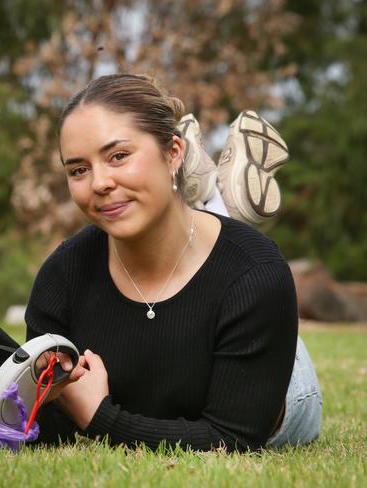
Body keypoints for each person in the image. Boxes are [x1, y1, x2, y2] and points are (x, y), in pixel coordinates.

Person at [25, 73, 322, 451]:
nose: (99, 183)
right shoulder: (62, 274)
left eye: (118, 156)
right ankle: (211, 201)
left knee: (238, 279)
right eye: (78, 170)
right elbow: (39, 416)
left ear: (173, 152)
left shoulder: (256, 275)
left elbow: (231, 438)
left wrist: (99, 418)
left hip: (273, 378)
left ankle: (216, 208)